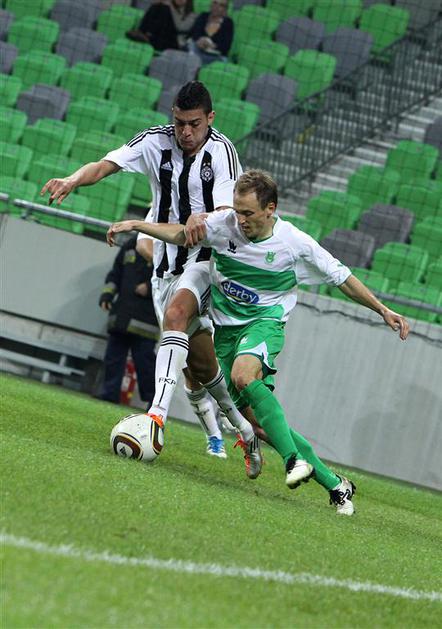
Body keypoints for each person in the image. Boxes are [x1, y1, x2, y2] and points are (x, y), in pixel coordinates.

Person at [105, 169, 410, 515]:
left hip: (264, 323)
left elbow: (343, 278)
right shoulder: (225, 225)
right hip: (226, 332)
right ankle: (336, 485)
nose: (240, 219)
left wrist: (382, 310)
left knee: (243, 376)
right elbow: (181, 234)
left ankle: (293, 459)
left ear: (270, 209)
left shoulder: (295, 243)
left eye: (248, 213)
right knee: (261, 426)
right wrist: (137, 225)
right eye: (237, 210)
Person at [40, 81, 262, 478]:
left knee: (177, 316)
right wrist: (72, 180)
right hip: (164, 266)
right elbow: (105, 165)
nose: (185, 132)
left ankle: (155, 416)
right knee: (201, 367)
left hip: (205, 260)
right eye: (179, 123)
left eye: (194, 124)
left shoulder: (222, 151)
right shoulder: (154, 142)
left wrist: (205, 217)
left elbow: (228, 211)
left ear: (210, 119)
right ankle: (244, 430)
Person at [98, 235, 159, 405]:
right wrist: (107, 295)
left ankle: (155, 402)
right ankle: (109, 394)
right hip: (122, 315)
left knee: (145, 363)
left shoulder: (167, 245)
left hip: (146, 319)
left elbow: (171, 277)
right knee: (113, 357)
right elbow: (115, 273)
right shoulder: (130, 244)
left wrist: (150, 287)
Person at [127, 0, 196, 51]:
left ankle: (147, 37)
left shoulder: (192, 15)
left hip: (174, 42)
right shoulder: (166, 6)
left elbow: (179, 26)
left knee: (165, 10)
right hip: (159, 36)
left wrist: (170, 6)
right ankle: (142, 32)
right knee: (157, 6)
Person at [188, 0, 234, 64]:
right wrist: (200, 40)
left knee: (193, 57)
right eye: (215, 3)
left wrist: (211, 45)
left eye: (221, 5)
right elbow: (194, 34)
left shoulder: (228, 23)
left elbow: (225, 47)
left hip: (216, 56)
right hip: (198, 50)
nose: (216, 7)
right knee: (191, 46)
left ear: (225, 9)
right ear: (211, 4)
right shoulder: (203, 16)